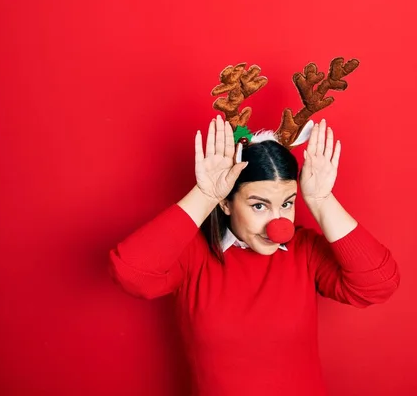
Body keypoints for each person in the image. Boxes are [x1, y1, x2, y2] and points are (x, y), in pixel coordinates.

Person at [109, 115, 400, 396]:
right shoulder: (193, 256)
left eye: (287, 204)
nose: (278, 225)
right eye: (259, 206)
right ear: (226, 203)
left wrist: (322, 201)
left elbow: (378, 285)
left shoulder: (305, 251)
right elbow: (132, 273)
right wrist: (205, 194)